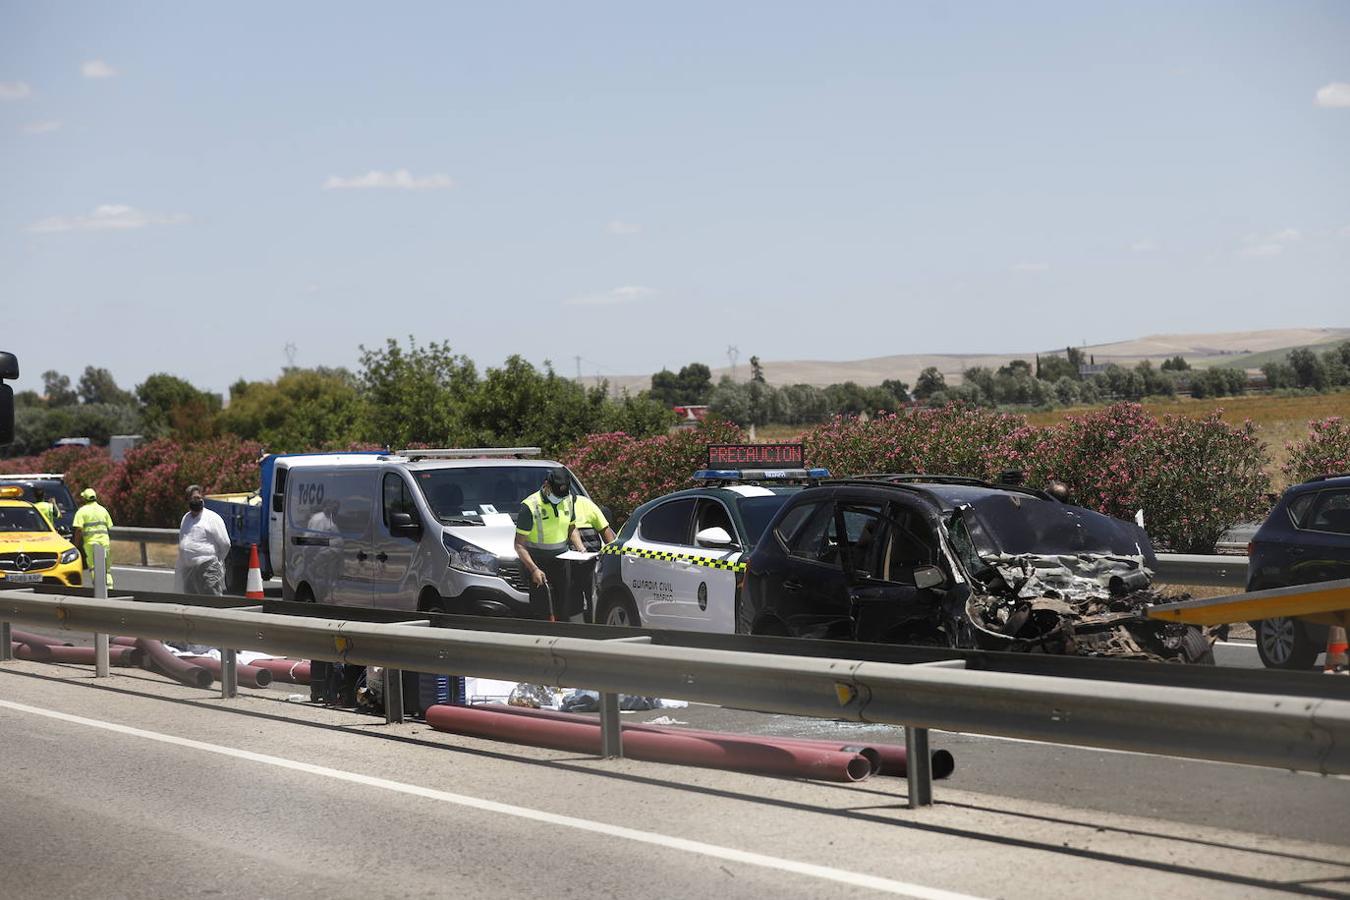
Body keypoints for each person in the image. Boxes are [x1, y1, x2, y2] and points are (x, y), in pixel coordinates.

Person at [513, 468, 580, 621]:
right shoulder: (530, 506)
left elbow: (572, 527)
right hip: (538, 563)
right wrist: (534, 570)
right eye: (556, 494)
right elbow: (519, 545)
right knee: (544, 613)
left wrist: (580, 547)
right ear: (546, 485)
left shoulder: (568, 499)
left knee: (564, 612)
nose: (559, 498)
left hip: (562, 563)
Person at [174, 484, 231, 595]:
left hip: (207, 567)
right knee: (191, 602)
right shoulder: (186, 518)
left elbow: (225, 543)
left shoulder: (212, 518)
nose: (197, 501)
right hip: (188, 569)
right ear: (188, 501)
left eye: (199, 498)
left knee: (210, 600)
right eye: (194, 499)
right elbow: (183, 539)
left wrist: (217, 561)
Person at [71, 487, 114, 588]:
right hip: (104, 542)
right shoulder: (103, 510)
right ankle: (110, 589)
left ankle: (99, 589)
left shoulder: (82, 511)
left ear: (85, 499)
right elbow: (109, 526)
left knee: (94, 568)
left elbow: (78, 530)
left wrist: (76, 545)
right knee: (106, 568)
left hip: (91, 544)